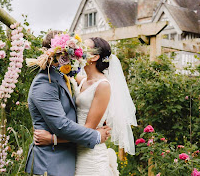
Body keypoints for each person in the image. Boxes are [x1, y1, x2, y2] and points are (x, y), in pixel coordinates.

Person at [34, 37, 137, 176]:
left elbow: (88, 129)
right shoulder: (82, 80)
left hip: (90, 155)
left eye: (83, 48)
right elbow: (61, 71)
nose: (77, 51)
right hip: (74, 152)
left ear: (94, 57)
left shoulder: (103, 85)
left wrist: (53, 139)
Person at [24, 31, 111, 176]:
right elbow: (61, 125)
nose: (78, 53)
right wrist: (95, 136)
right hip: (51, 163)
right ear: (61, 53)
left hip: (71, 158)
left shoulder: (63, 76)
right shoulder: (45, 82)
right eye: (75, 50)